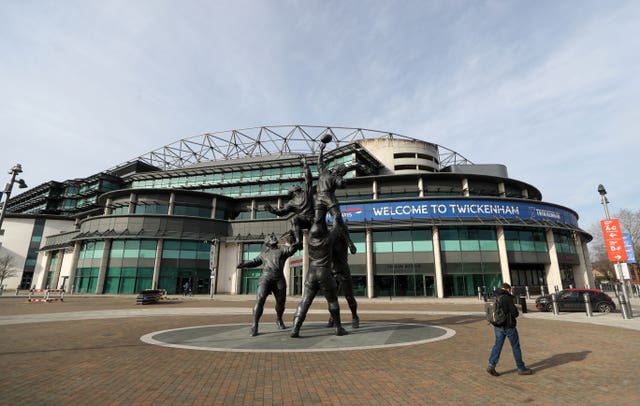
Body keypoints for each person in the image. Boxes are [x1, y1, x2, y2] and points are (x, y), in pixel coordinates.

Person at [290, 214, 347, 338]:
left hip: (311, 273)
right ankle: (338, 327)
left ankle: (295, 328)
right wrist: (336, 215)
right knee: (332, 301)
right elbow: (337, 227)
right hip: (324, 272)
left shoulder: (310, 239)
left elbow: (296, 220)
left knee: (305, 300)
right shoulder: (329, 238)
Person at [237, 233, 300, 337]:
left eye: (273, 236)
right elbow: (254, 261)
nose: (273, 237)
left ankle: (279, 319)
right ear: (266, 242)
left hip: (279, 279)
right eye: (270, 237)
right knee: (260, 299)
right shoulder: (263, 254)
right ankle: (255, 325)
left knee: (281, 303)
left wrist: (295, 243)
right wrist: (244, 264)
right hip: (265, 278)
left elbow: (291, 250)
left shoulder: (282, 249)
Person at [314, 140, 356, 254]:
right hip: (321, 198)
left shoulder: (336, 177)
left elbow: (341, 184)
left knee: (337, 218)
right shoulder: (324, 172)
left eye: (341, 169)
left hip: (327, 197)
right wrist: (321, 150)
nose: (339, 168)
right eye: (340, 168)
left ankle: (349, 242)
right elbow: (319, 162)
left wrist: (343, 181)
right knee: (318, 221)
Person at [264, 156, 313, 247]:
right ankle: (299, 241)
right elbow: (282, 212)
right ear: (292, 191)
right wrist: (272, 210)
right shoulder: (291, 203)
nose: (295, 184)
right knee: (294, 219)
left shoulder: (307, 193)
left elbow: (309, 179)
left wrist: (305, 164)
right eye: (293, 185)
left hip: (314, 218)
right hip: (304, 221)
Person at [487, 283, 534, 376]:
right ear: (507, 289)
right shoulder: (507, 298)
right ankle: (521, 368)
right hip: (509, 326)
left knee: (497, 345)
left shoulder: (493, 296)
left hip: (497, 325)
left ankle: (491, 365)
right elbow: (515, 313)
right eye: (510, 290)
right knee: (515, 346)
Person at [326, 222, 360, 329]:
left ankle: (355, 317)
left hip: (343, 271)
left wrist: (347, 238)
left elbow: (353, 250)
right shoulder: (330, 240)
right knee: (332, 298)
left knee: (349, 297)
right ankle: (332, 317)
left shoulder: (344, 240)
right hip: (332, 271)